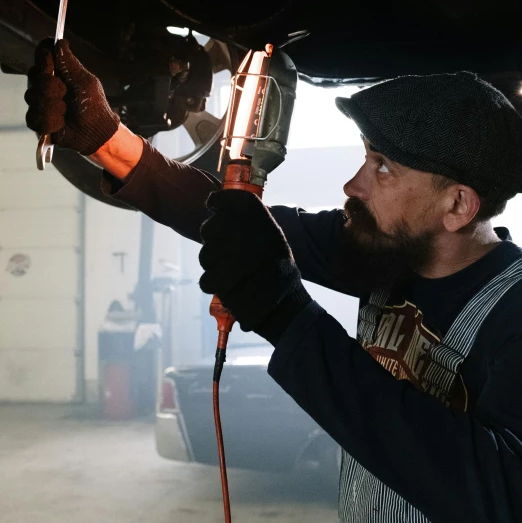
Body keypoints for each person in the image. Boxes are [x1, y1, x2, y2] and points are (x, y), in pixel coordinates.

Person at [25, 39, 522, 523]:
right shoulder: (382, 250)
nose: (352, 185)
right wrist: (106, 138)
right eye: (366, 157)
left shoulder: (513, 311)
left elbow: (496, 493)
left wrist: (288, 317)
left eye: (383, 167)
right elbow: (225, 217)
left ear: (457, 205)